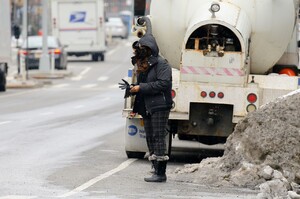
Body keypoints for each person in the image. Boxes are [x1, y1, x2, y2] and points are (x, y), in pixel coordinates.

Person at [130, 33, 172, 183]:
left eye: (143, 48)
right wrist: (132, 88)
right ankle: (155, 167)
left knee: (158, 136)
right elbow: (141, 85)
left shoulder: (162, 64)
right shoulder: (144, 65)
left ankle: (161, 173)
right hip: (147, 106)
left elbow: (163, 84)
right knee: (149, 136)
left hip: (160, 105)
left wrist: (140, 87)